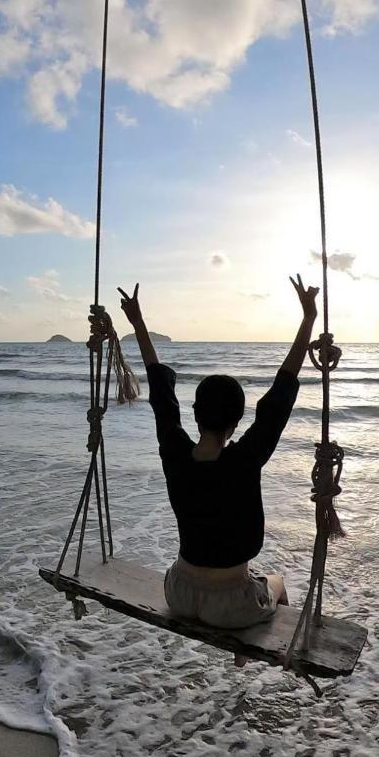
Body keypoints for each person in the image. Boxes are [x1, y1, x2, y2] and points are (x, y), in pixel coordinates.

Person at [115, 274, 319, 666]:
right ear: (237, 422)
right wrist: (308, 318)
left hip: (180, 593)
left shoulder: (175, 455)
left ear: (195, 414)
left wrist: (138, 324)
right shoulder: (244, 459)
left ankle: (246, 639)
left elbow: (161, 397)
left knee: (244, 577)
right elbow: (280, 397)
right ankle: (251, 645)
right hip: (230, 606)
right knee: (274, 582)